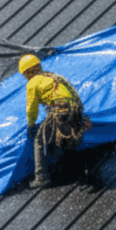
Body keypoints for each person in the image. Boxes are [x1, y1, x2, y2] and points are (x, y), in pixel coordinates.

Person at [20, 54, 89, 188]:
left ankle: (41, 178)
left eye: (25, 74)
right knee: (63, 136)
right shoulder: (54, 76)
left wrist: (31, 124)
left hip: (59, 111)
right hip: (74, 108)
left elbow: (31, 109)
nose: (26, 77)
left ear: (29, 72)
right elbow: (72, 91)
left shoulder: (32, 84)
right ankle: (76, 164)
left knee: (39, 141)